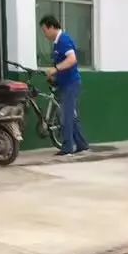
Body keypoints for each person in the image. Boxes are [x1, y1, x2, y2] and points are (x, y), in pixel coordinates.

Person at [39, 13, 89, 156]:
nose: (44, 34)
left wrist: (56, 69)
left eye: (44, 30)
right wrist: (54, 77)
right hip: (64, 84)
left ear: (52, 27)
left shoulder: (64, 40)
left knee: (66, 116)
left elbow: (72, 59)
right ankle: (81, 144)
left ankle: (67, 148)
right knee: (71, 117)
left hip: (71, 84)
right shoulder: (57, 43)